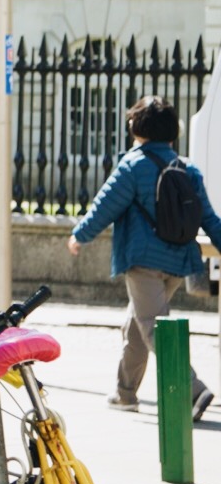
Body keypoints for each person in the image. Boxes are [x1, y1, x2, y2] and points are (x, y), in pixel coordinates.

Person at [67, 94, 218, 421]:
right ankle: (125, 394)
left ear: (136, 127)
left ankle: (195, 389)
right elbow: (209, 217)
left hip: (143, 261)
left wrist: (80, 236)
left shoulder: (133, 165)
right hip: (178, 262)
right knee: (136, 325)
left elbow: (105, 205)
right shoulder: (187, 167)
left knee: (153, 327)